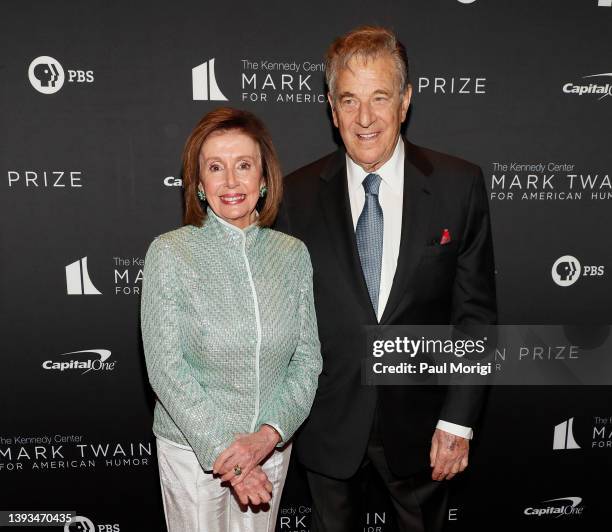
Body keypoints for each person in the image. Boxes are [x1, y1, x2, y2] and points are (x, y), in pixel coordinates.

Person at [275, 26, 497, 531]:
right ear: (332, 109)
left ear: (405, 101)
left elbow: (476, 317)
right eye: (349, 100)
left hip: (423, 424)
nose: (365, 118)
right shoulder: (296, 195)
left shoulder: (458, 185)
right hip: (327, 422)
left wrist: (457, 420)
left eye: (380, 97)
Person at [141, 107, 322, 532]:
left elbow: (307, 360)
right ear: (200, 184)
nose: (230, 182)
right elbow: (166, 369)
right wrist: (232, 458)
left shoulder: (292, 255)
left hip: (270, 451)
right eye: (215, 168)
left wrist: (267, 437)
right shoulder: (171, 253)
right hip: (194, 454)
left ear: (264, 178)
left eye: (243, 165)